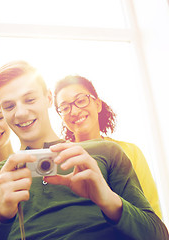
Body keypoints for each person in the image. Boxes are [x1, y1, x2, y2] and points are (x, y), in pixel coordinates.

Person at [0, 60, 168, 239]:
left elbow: (158, 235)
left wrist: (109, 200)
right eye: (9, 106)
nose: (21, 113)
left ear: (49, 98)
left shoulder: (106, 152)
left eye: (30, 99)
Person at [53, 74, 162, 218]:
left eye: (80, 100)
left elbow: (151, 208)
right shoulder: (61, 158)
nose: (74, 111)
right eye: (65, 108)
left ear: (97, 104)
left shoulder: (130, 151)